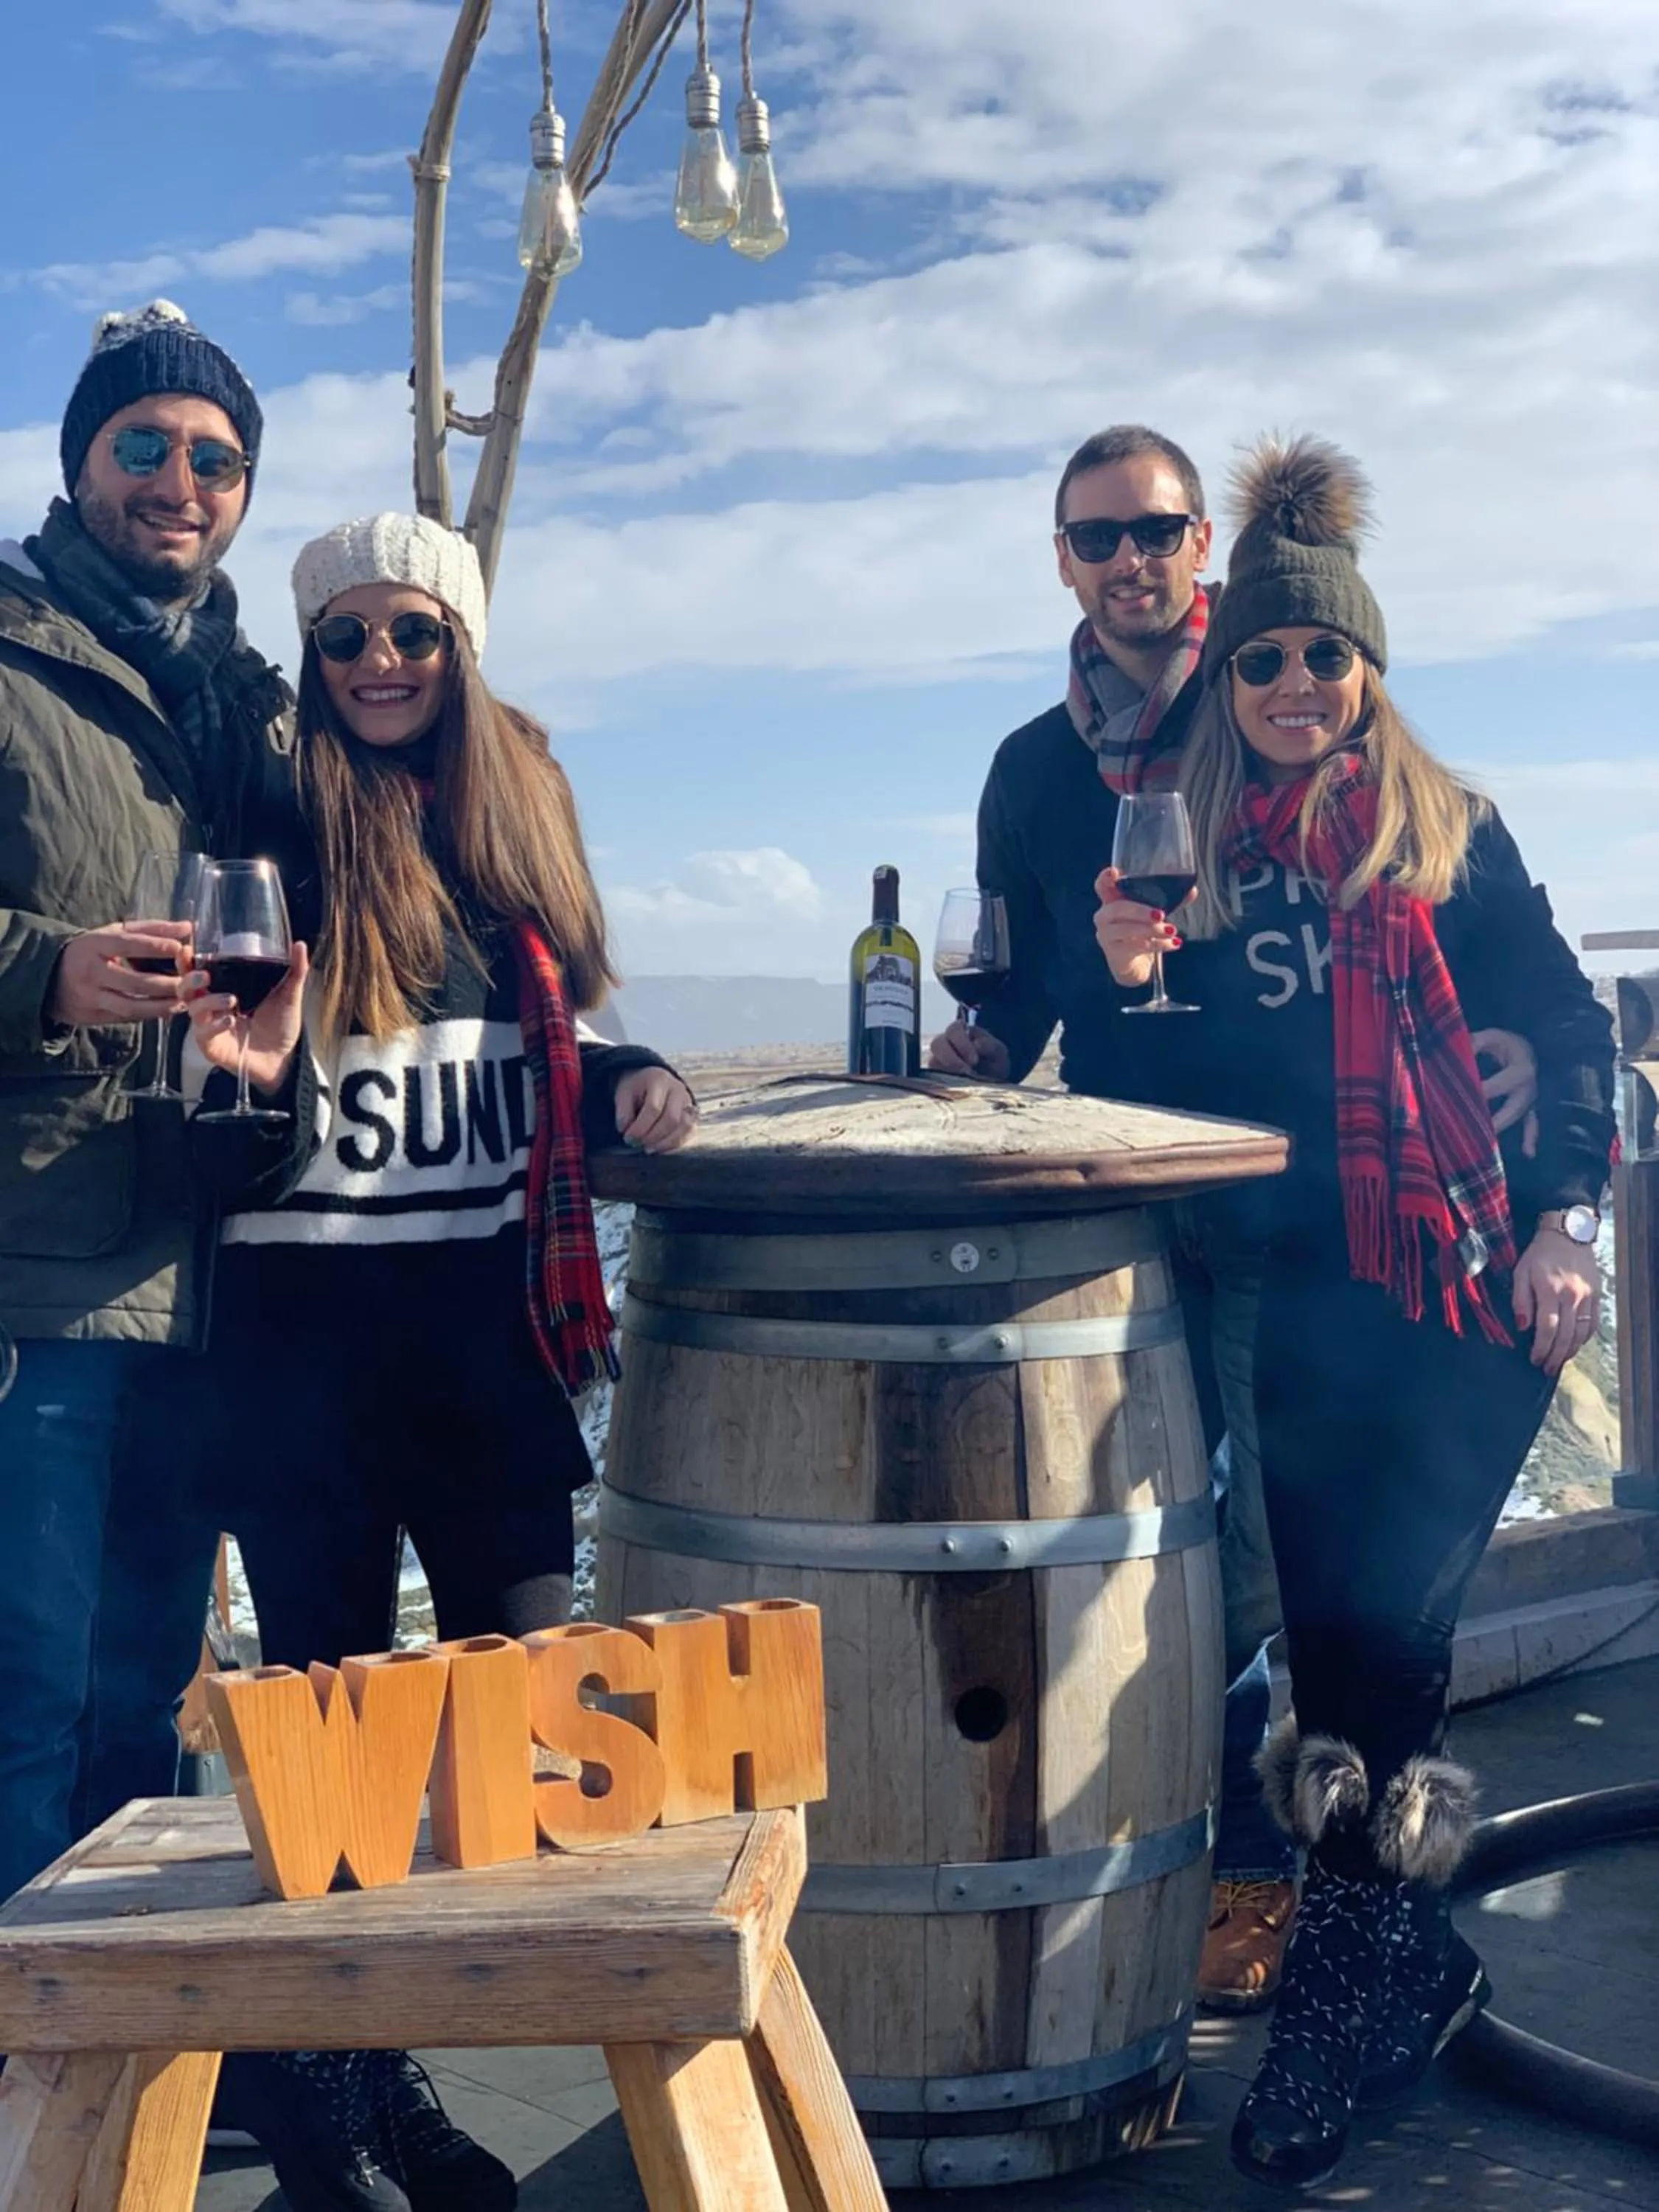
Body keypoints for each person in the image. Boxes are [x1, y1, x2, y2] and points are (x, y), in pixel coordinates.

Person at [929, 424, 1543, 2011]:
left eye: (1157, 531)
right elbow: (1027, 986)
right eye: (1097, 537)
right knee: (1163, 1552)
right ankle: (1232, 1881)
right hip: (1154, 1212)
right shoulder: (1036, 770)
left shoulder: (1301, 735)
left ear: (1205, 546)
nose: (1131, 560)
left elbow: (1455, 966)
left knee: (1289, 1575)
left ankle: (1302, 1904)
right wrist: (1008, 1031)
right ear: (1061, 560)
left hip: (1352, 1242)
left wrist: (1550, 1181)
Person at [1090, 434, 1614, 2187]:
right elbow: (1176, 1100)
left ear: (1368, 671)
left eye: (1327, 656)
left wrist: (1566, 1220)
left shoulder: (1451, 836)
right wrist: (1132, 989)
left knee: (1388, 1622)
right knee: (1333, 1646)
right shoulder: (1193, 855)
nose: (1297, 683)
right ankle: (1393, 1951)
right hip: (1311, 1300)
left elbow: (1572, 1023)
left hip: (1465, 1294)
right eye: (1267, 658)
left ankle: (1348, 1968)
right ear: (1229, 679)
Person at [184, 514, 696, 2212]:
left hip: (484, 1364)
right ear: (314, 661)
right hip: (305, 1360)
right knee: (332, 1778)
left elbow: (522, 1038)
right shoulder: (270, 832)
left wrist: (627, 1074)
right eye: (347, 640)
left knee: (512, 1758)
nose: (380, 664)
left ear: (460, 650)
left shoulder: (505, 841)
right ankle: (348, 2098)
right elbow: (216, 1076)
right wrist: (242, 1076)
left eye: (412, 633)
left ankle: (380, 2065)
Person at [0, 299, 295, 1906]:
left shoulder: (250, 696)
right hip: (36, 1283)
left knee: (142, 1714)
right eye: (145, 446)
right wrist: (45, 972)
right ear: (80, 460)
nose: (181, 480)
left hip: (208, 1273)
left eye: (218, 458)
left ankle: (125, 2079)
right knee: (21, 1710)